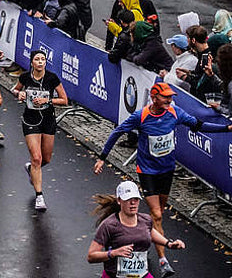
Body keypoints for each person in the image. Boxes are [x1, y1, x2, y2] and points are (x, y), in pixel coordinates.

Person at [94, 81, 232, 275]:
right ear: (154, 97)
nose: (169, 100)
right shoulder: (141, 116)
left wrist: (226, 129)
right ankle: (163, 259)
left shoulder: (175, 113)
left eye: (170, 97)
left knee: (159, 212)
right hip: (147, 170)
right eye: (165, 97)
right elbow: (118, 131)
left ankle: (144, 232)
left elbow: (199, 125)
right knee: (156, 214)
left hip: (167, 169)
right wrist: (102, 158)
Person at [87, 182, 185, 278]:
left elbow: (150, 232)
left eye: (136, 199)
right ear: (119, 200)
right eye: (128, 199)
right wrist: (113, 253)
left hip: (141, 274)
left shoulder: (145, 220)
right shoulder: (109, 225)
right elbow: (91, 256)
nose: (133, 203)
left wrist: (168, 244)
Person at [12, 49, 68, 211]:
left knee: (46, 159)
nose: (40, 62)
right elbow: (15, 90)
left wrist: (48, 100)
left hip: (48, 120)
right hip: (30, 119)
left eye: (43, 59)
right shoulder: (25, 77)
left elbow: (64, 100)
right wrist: (19, 94)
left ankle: (31, 169)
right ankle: (39, 196)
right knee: (36, 157)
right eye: (37, 59)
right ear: (32, 62)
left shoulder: (52, 78)